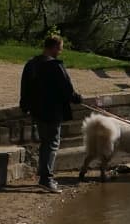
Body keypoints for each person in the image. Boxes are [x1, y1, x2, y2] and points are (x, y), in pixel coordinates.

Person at [18, 33, 82, 192]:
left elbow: (24, 87)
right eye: (59, 49)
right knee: (52, 143)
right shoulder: (55, 66)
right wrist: (77, 98)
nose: (60, 52)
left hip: (37, 110)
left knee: (45, 141)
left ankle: (44, 176)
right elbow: (67, 90)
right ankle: (46, 179)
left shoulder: (31, 64)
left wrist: (24, 106)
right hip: (52, 111)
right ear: (53, 47)